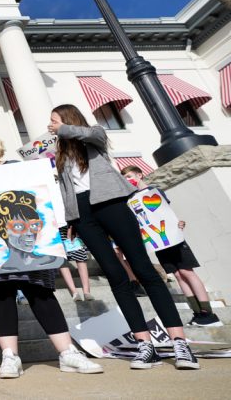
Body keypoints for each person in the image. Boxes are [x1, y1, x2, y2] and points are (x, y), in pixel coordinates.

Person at [48, 103, 199, 370]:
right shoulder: (60, 153)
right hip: (83, 214)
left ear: (69, 120)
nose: (51, 126)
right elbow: (65, 189)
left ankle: (179, 342)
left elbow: (91, 135)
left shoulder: (93, 135)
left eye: (55, 121)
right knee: (115, 275)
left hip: (111, 202)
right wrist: (71, 219)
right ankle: (144, 345)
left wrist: (64, 129)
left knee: (144, 269)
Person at [0, 132, 102, 378]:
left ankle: (67, 352)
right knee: (0, 294)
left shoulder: (15, 166)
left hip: (31, 239)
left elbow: (38, 191)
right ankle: (10, 356)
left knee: (40, 291)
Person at [121, 165, 222, 327]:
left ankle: (208, 312)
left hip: (173, 238)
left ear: (139, 175)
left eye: (129, 176)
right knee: (177, 275)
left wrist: (179, 222)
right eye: (125, 178)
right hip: (159, 242)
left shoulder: (154, 191)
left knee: (187, 272)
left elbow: (166, 212)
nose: (128, 180)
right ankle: (197, 312)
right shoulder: (130, 199)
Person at [58, 225, 94, 301]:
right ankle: (74, 292)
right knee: (62, 259)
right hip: (55, 228)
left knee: (80, 256)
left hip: (71, 226)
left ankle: (86, 291)